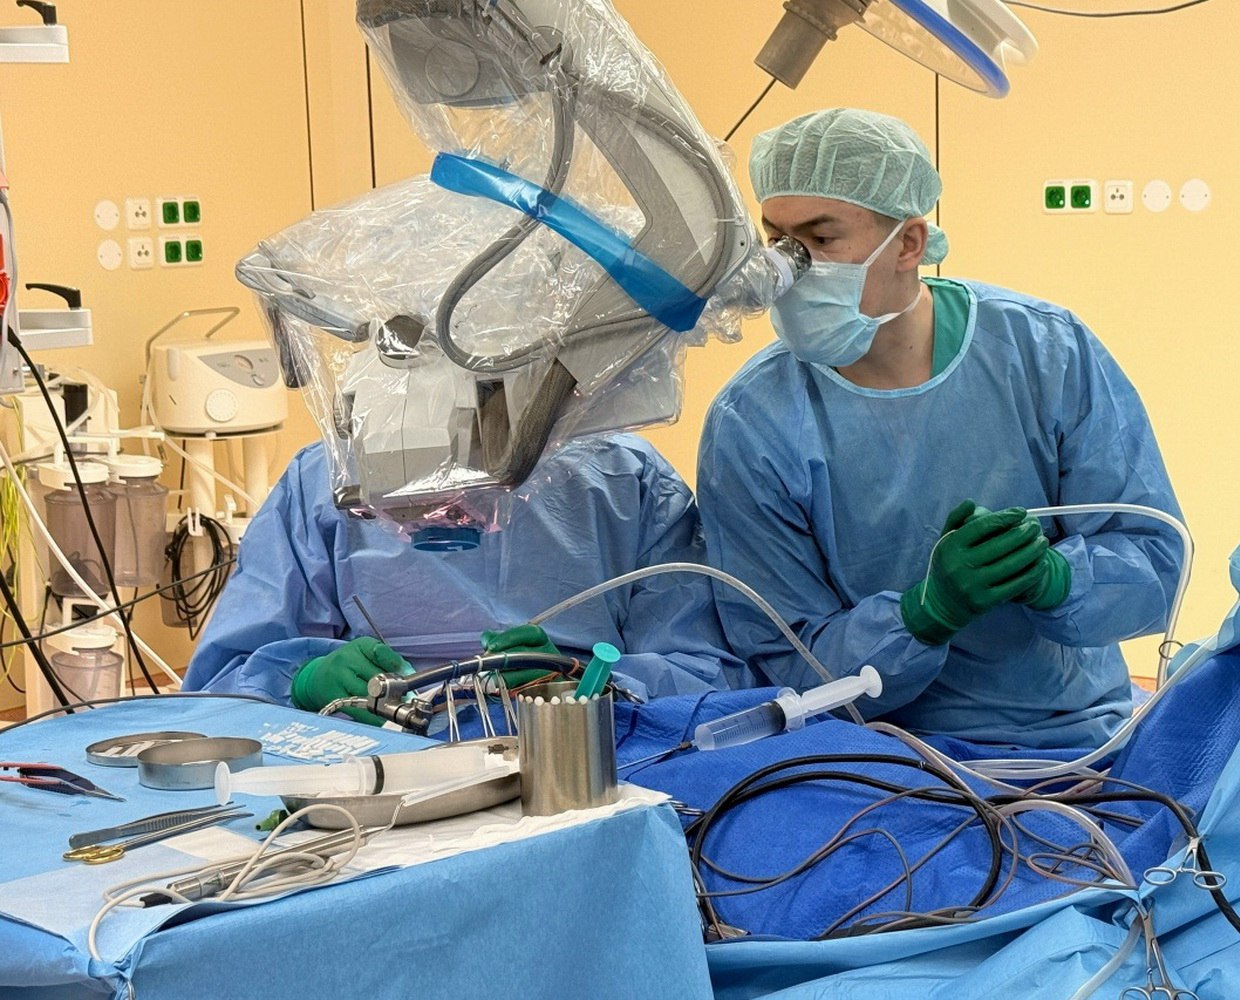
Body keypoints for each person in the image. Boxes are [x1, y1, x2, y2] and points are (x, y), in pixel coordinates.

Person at [697, 108, 1183, 749]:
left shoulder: (1044, 353)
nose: (786, 269)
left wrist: (1054, 579)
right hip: (875, 754)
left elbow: (1156, 559)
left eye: (820, 238)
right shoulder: (752, 424)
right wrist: (922, 616)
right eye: (777, 239)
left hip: (1074, 735)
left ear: (908, 244)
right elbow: (784, 663)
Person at [184, 434, 742, 725]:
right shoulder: (324, 481)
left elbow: (712, 682)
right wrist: (300, 683)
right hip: (368, 781)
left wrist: (585, 683)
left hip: (582, 763)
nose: (448, 517)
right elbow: (216, 693)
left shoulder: (623, 479)